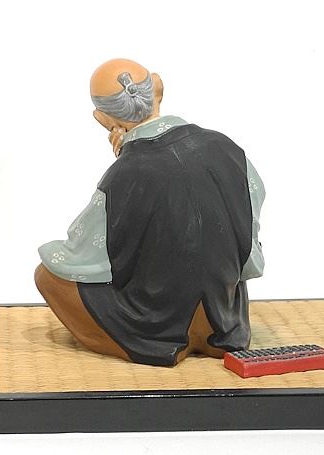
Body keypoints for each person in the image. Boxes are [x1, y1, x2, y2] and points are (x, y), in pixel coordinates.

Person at [35, 58, 265, 366]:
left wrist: (127, 162)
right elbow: (248, 230)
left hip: (157, 322)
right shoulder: (227, 148)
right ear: (158, 88)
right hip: (224, 318)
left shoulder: (124, 175)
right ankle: (210, 330)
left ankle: (152, 344)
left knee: (47, 275)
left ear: (102, 118)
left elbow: (85, 256)